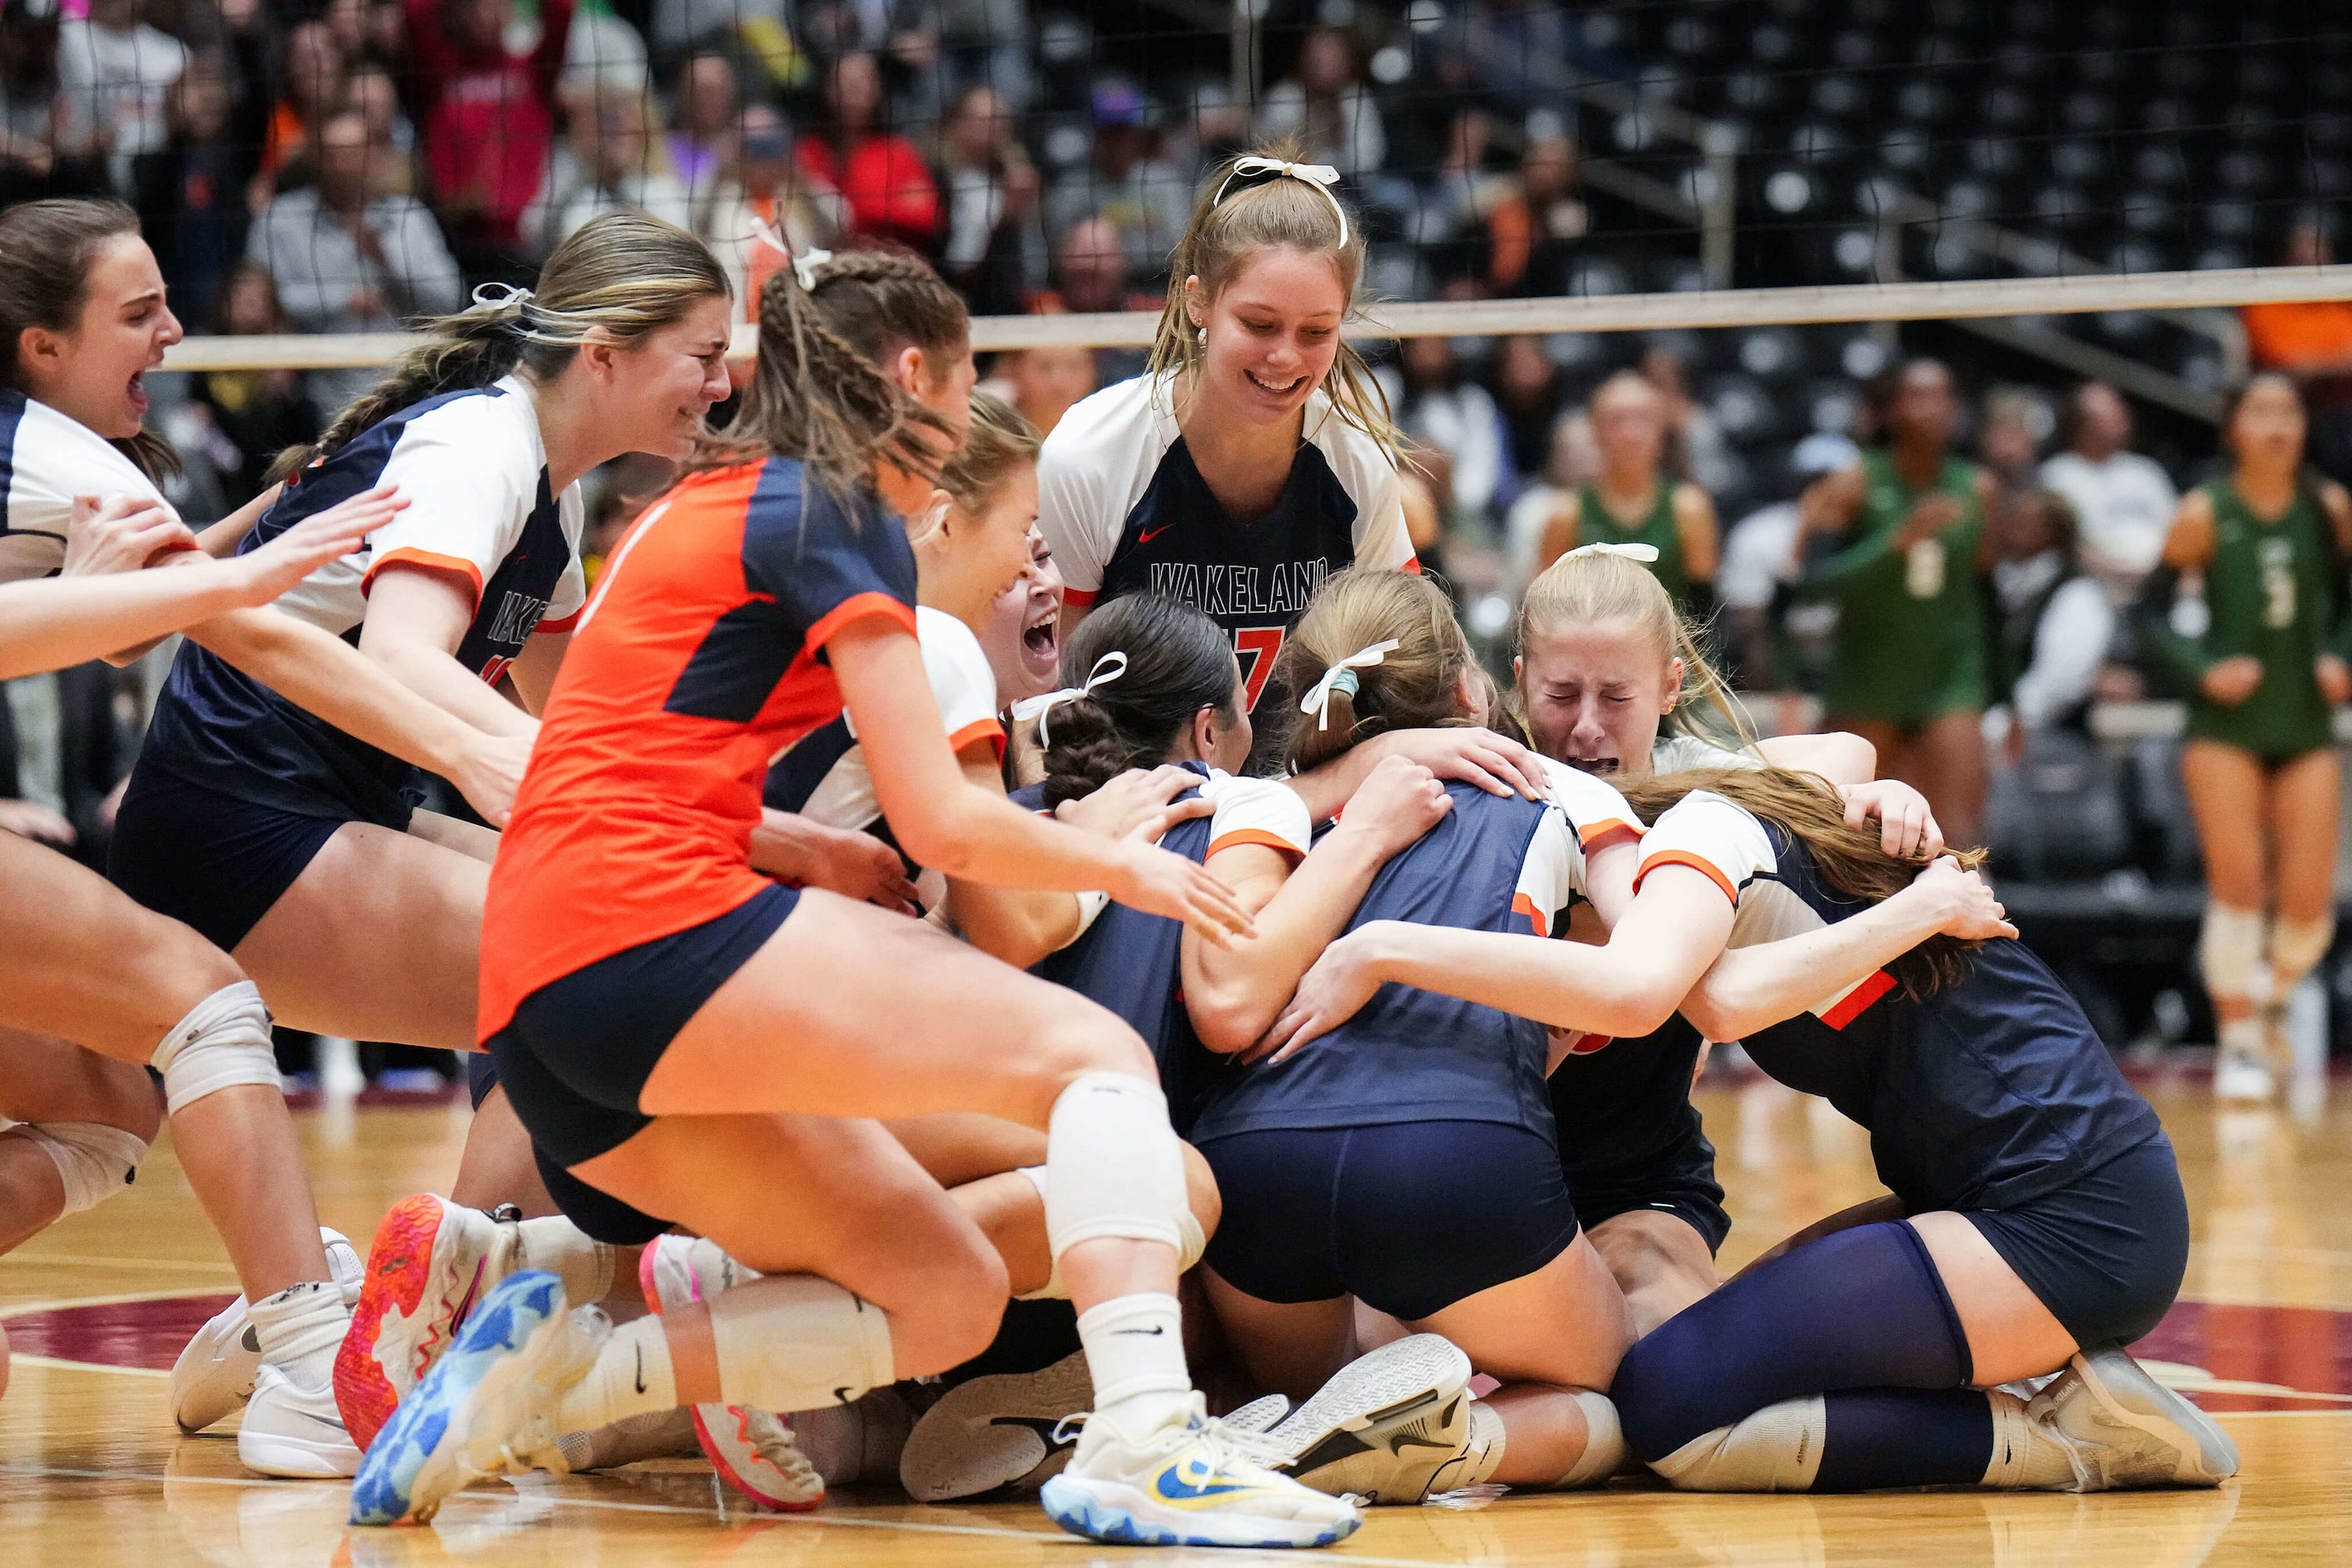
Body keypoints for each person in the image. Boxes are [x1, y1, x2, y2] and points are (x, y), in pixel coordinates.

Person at [348, 246, 1360, 1550]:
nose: (971, 418)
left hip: (537, 996)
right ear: (913, 374)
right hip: (648, 923)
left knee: (940, 1293)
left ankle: (546, 1387)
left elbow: (619, 741)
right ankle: (1150, 1442)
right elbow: (943, 821)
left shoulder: (687, 502)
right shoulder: (834, 513)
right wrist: (1123, 857)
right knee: (1098, 1056)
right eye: (970, 376)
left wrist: (798, 846)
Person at [1271, 763, 2237, 1497]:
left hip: (2069, 1214)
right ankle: (2068, 1400)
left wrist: (1922, 906)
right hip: (2009, 1195)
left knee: (1669, 1409)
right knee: (1719, 1356)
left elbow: (1715, 1002)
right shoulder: (1757, 827)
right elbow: (1831, 756)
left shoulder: (1699, 837)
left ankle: (2065, 1445)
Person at [0, 197, 477, 1478]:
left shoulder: (47, 461)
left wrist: (197, 561)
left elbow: (113, 612)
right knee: (201, 1005)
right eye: (137, 310)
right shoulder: (56, 456)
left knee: (103, 1107)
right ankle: (314, 1357)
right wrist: (486, 755)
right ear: (43, 346)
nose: (174, 330)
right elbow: (231, 632)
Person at [1185, 567, 1643, 1502]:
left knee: (1327, 1386)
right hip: (1456, 1151)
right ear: (1471, 691)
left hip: (1252, 1165)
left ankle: (1199, 1421)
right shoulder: (1559, 789)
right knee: (1624, 1393)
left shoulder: (1265, 805)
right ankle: (1460, 1447)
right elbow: (1646, 959)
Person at [1507, 544, 1938, 1338]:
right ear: (1518, 677)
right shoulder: (1491, 778)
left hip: (1632, 1179)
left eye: (1617, 696)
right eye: (1560, 695)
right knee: (1364, 1358)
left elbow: (1843, 753)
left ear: (1671, 686)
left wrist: (1881, 791)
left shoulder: (1687, 784)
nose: (1587, 727)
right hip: (1485, 1166)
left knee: (1660, 1365)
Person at [1037, 148, 1417, 752]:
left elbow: (1403, 661)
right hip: (1129, 799)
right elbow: (1048, 696)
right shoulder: (1090, 455)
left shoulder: (1354, 460)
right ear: (1198, 302)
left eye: (1316, 331)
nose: (1286, 357)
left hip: (1303, 803)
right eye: (1259, 324)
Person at [2139, 373, 2352, 1100]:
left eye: (2288, 411)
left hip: (2304, 723)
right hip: (2223, 727)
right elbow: (2148, 617)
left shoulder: (2327, 508)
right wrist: (2203, 671)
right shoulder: (2203, 512)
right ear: (2233, 428)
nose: (2277, 425)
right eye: (2260, 411)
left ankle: (2273, 999)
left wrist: (2340, 658)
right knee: (2237, 889)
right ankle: (2237, 1039)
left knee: (2306, 906)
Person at [1795, 357, 1994, 852]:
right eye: (1918, 396)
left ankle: (1961, 928)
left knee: (1959, 836)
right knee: (1857, 838)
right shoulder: (1854, 482)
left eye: (1944, 396)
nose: (1933, 409)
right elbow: (1814, 584)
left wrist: (2008, 700)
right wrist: (1895, 542)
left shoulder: (1977, 488)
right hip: (1869, 679)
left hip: (1950, 674)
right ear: (1890, 410)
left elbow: (1989, 599)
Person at [245, 109, 463, 415]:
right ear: (315, 158)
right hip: (306, 389)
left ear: (374, 155)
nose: (343, 165)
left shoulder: (408, 217)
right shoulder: (280, 219)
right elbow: (255, 305)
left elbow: (449, 299)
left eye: (353, 152)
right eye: (333, 154)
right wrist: (343, 301)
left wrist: (388, 260)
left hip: (406, 387)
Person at [1535, 369, 1720, 607]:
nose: (1631, 434)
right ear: (1595, 430)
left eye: (1643, 419)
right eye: (1617, 420)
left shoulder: (1689, 508)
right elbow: (1545, 604)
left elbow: (1703, 606)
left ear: (1663, 428)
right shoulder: (1566, 513)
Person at [2038, 381, 2180, 604]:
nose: (2121, 418)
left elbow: (2177, 535)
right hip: (2092, 586)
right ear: (2082, 426)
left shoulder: (2146, 472)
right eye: (2108, 415)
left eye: (2119, 410)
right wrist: (2124, 576)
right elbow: (2069, 551)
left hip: (2160, 588)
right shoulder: (2058, 476)